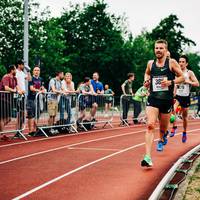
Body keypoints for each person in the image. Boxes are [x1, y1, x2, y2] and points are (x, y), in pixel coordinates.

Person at [141, 39, 184, 167]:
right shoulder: (150, 63)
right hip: (153, 99)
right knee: (150, 125)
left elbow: (182, 77)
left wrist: (171, 82)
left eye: (161, 48)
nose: (158, 50)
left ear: (165, 50)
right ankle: (147, 157)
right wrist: (146, 81)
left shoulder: (171, 63)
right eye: (156, 48)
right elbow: (146, 73)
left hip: (166, 101)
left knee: (163, 128)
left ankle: (163, 136)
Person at [170, 55, 199, 142]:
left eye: (183, 62)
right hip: (178, 96)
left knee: (184, 117)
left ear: (186, 63)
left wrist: (188, 81)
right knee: (173, 110)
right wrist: (174, 92)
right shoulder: (176, 72)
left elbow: (197, 83)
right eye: (180, 62)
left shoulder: (189, 73)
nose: (181, 63)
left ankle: (184, 132)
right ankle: (174, 127)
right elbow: (175, 84)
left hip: (186, 97)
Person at [0, 65, 22, 139]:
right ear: (12, 70)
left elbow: (17, 86)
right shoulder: (6, 77)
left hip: (9, 100)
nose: (16, 71)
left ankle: (1, 131)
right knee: (2, 118)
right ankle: (2, 134)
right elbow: (6, 88)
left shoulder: (14, 78)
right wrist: (15, 91)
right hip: (2, 99)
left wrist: (20, 91)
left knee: (9, 118)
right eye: (15, 69)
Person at [27, 66, 45, 136]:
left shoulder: (41, 79)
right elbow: (31, 88)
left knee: (37, 115)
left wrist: (43, 90)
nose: (36, 71)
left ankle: (35, 130)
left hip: (38, 99)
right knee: (31, 115)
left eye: (38, 70)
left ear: (39, 72)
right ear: (33, 71)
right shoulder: (31, 79)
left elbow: (42, 87)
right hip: (31, 99)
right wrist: (39, 91)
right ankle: (30, 131)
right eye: (35, 70)